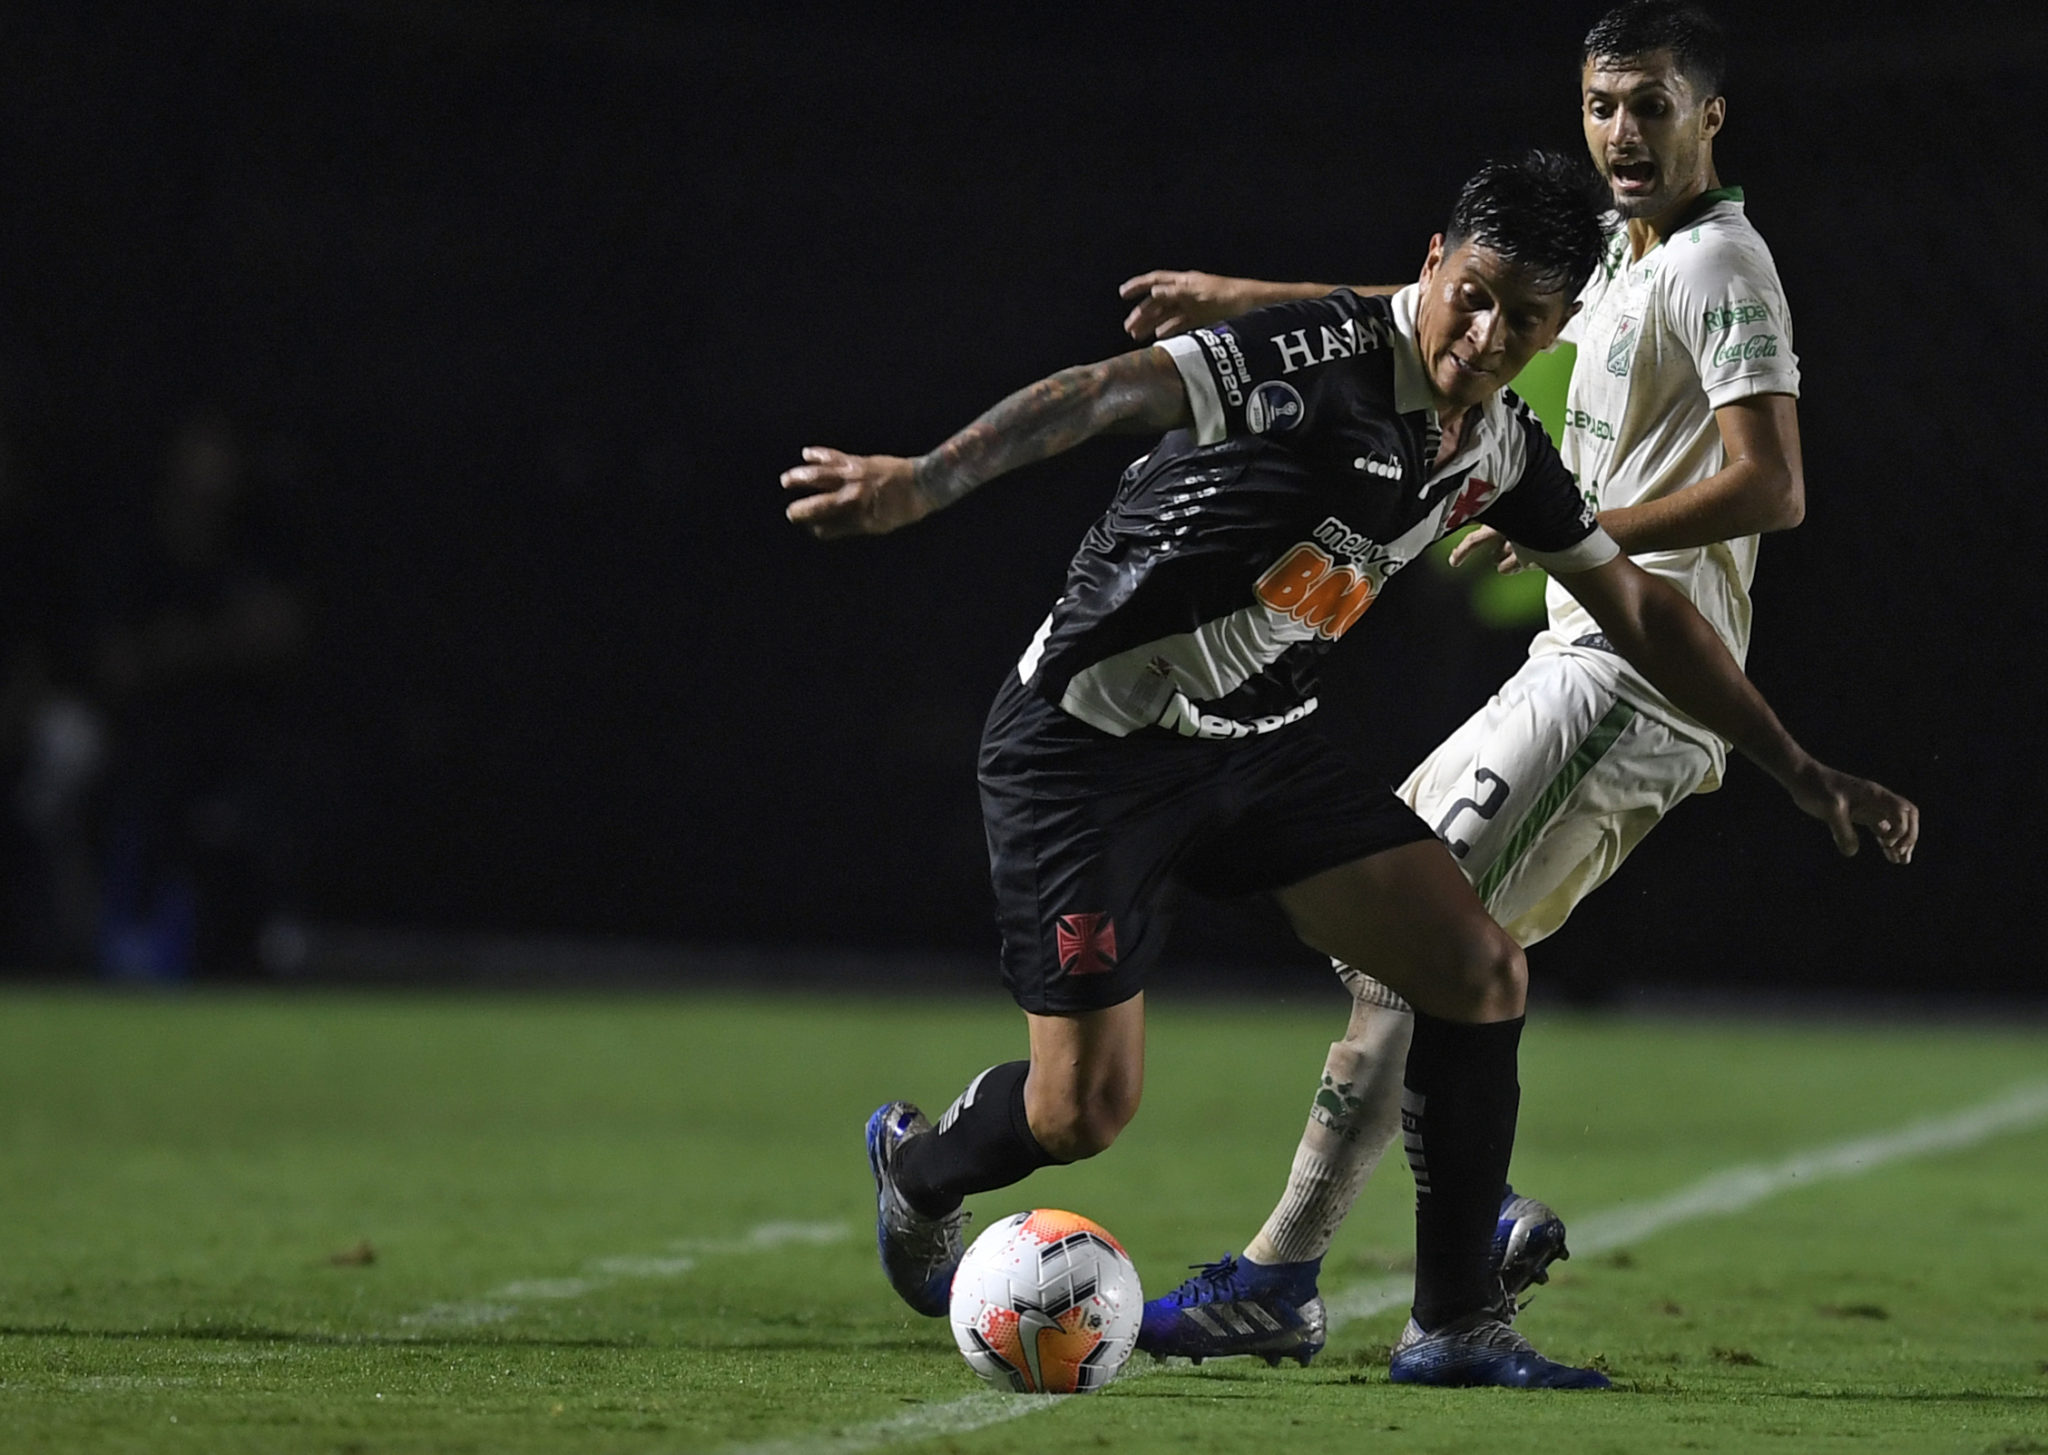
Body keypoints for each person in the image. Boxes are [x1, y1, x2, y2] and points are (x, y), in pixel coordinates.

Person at [782, 151, 1916, 1390]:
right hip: (1089, 749)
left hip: (1258, 748)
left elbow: (1639, 611)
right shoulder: (1311, 356)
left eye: (1523, 320)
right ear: (1430, 264)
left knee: (1475, 967)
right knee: (1080, 1116)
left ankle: (1451, 1326)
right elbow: (1107, 391)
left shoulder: (1495, 446)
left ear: (1558, 325)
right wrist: (918, 482)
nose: (1484, 336)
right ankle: (919, 1167)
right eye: (1470, 295)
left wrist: (1801, 771)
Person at [1117, 0, 1832, 1365]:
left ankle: (1291, 1276)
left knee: (1418, 946)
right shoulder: (1625, 261)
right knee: (1384, 926)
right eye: (1604, 104)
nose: (1624, 132)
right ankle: (1468, 1204)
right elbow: (1449, 323)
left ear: (1710, 116)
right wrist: (1247, 303)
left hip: (1636, 676)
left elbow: (1773, 484)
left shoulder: (1721, 265)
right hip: (1572, 658)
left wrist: (1593, 528)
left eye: (1653, 104)